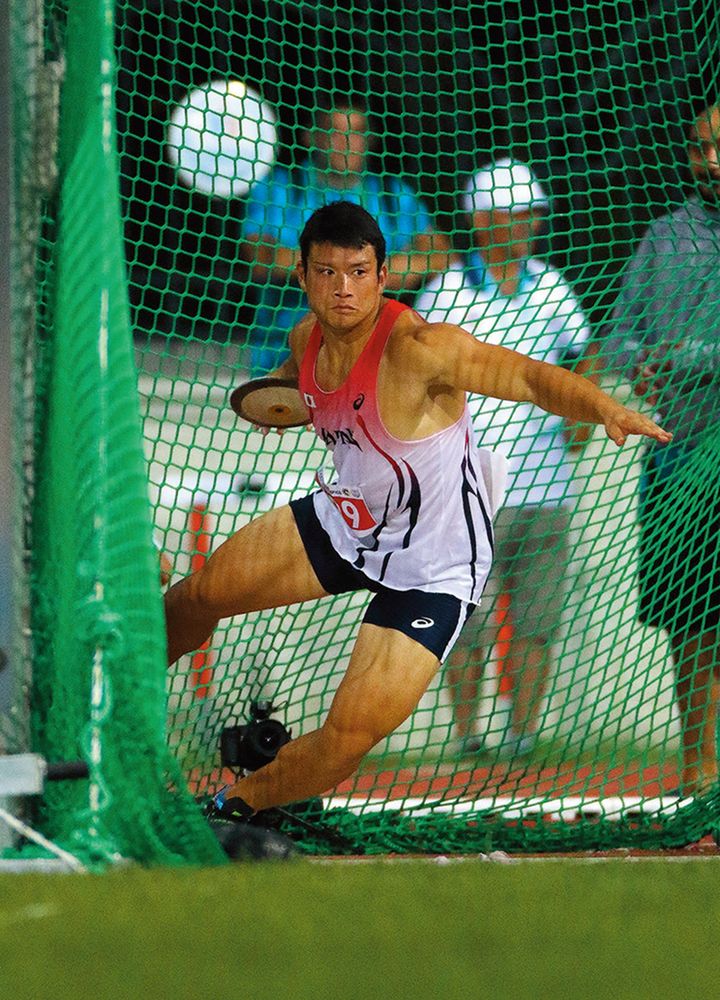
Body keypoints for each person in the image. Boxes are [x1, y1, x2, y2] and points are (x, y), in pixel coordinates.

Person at [164, 200, 670, 826]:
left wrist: (603, 408)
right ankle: (112, 716)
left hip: (435, 560)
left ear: (382, 276)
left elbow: (532, 378)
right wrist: (278, 399)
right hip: (348, 520)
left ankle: (225, 809)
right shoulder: (304, 338)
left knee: (346, 739)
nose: (343, 288)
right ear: (303, 276)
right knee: (196, 596)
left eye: (358, 272)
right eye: (327, 272)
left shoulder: (420, 348)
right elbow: (295, 379)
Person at [416, 157, 598, 759]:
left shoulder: (551, 284)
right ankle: (469, 740)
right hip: (467, 490)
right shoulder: (447, 289)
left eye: (532, 215)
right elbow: (415, 369)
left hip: (548, 488)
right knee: (464, 624)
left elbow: (586, 353)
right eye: (515, 215)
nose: (528, 226)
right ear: (482, 220)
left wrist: (581, 418)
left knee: (537, 623)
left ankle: (522, 739)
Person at [604, 101, 720, 796]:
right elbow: (619, 335)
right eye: (701, 147)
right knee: (690, 621)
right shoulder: (665, 237)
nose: (712, 160)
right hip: (680, 454)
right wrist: (639, 362)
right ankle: (699, 769)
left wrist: (690, 354)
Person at [239, 97, 450, 375]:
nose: (347, 142)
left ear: (371, 139)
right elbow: (261, 257)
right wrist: (361, 271)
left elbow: (441, 256)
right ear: (311, 137)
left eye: (357, 132)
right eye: (335, 131)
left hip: (376, 364)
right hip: (282, 359)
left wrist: (338, 270)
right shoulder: (281, 187)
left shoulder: (392, 193)